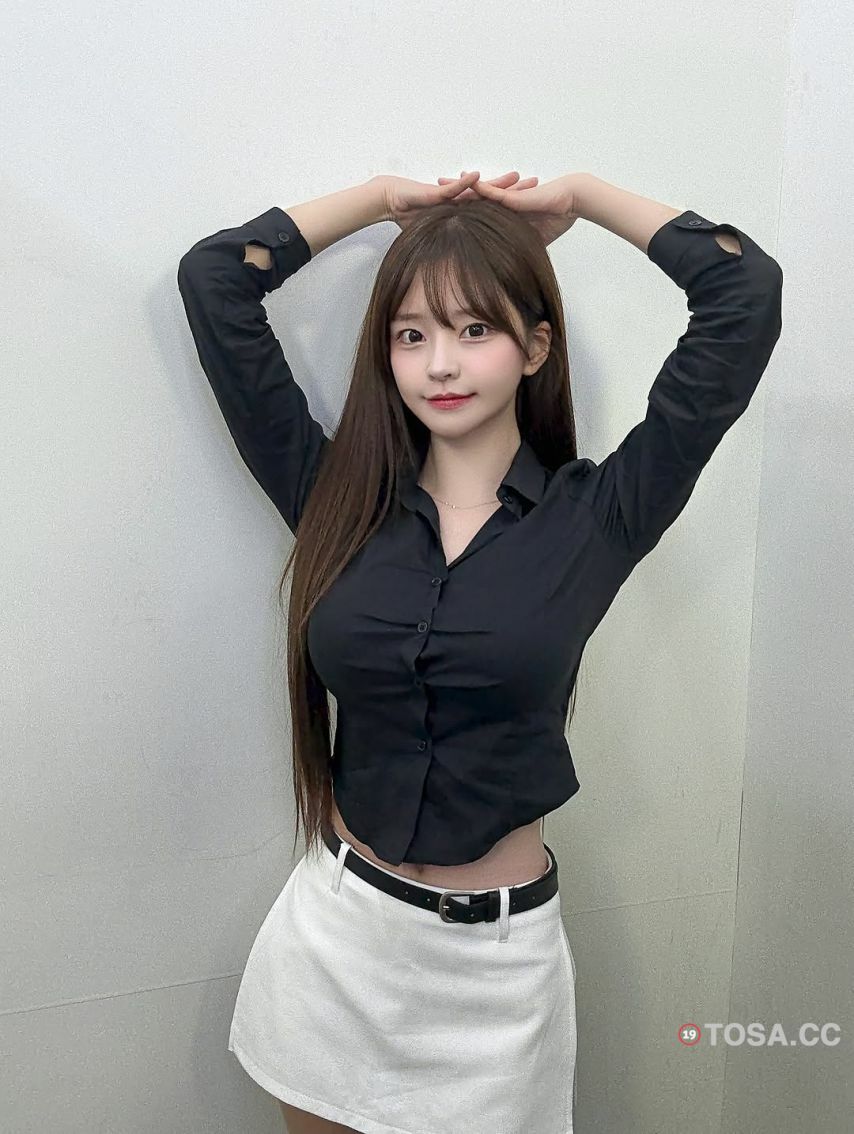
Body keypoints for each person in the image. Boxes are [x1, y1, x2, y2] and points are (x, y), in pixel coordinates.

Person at [176, 170, 783, 1134]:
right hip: (336, 937)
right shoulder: (333, 498)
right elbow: (217, 278)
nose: (441, 365)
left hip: (493, 973)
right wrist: (382, 200)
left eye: (474, 329)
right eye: (411, 335)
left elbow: (742, 291)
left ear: (536, 347)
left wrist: (582, 197)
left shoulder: (599, 516)